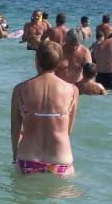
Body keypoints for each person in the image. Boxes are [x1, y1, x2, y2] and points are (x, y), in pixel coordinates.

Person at [10, 41, 78, 177]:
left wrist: (15, 156)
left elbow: (15, 130)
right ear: (60, 63)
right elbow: (67, 131)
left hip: (27, 160)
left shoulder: (20, 89)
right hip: (60, 161)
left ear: (36, 60)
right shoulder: (72, 90)